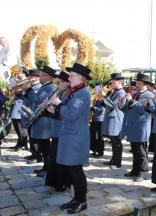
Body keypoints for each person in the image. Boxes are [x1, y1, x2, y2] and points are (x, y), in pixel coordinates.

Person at [47, 63, 91, 214]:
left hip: (76, 138)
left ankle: (82, 201)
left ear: (80, 78)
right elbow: (65, 113)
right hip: (69, 135)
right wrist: (54, 109)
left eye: (71, 75)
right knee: (72, 170)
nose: (69, 77)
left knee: (76, 171)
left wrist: (59, 105)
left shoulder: (83, 93)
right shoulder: (74, 92)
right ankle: (76, 198)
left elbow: (72, 114)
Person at [122, 73, 154, 182]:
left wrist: (131, 100)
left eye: (138, 82)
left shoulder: (149, 95)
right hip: (133, 126)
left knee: (141, 151)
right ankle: (135, 170)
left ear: (143, 83)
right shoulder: (136, 94)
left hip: (141, 127)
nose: (136, 84)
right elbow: (128, 108)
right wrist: (122, 105)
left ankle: (142, 172)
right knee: (135, 150)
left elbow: (142, 109)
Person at [45, 71, 71, 191]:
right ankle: (55, 182)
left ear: (66, 83)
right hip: (56, 130)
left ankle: (63, 182)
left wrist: (54, 110)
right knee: (54, 156)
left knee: (60, 157)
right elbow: (56, 112)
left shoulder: (68, 96)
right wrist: (48, 108)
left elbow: (66, 114)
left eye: (59, 82)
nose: (57, 84)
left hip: (62, 131)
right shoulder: (60, 94)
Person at [29, 66, 56, 177]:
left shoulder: (49, 88)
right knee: (43, 146)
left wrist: (29, 90)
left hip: (44, 120)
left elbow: (37, 100)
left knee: (45, 147)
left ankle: (48, 168)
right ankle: (46, 167)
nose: (39, 76)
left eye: (42, 74)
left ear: (48, 76)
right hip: (40, 119)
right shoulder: (44, 87)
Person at [102, 73, 126, 169]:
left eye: (113, 81)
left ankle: (118, 162)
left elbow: (112, 105)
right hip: (112, 118)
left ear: (119, 81)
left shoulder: (121, 93)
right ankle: (113, 159)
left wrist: (104, 96)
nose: (111, 82)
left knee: (117, 141)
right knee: (113, 141)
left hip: (116, 119)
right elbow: (107, 106)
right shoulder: (114, 91)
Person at [21, 69, 42, 161]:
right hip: (28, 112)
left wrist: (28, 89)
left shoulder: (38, 87)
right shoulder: (32, 87)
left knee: (35, 135)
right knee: (30, 134)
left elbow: (35, 99)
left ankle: (38, 154)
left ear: (37, 78)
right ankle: (33, 153)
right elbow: (26, 98)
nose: (29, 78)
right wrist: (24, 91)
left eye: (31, 76)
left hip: (34, 113)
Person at [9, 73, 28, 150]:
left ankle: (23, 144)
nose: (18, 78)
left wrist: (20, 90)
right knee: (16, 126)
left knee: (21, 127)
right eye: (17, 77)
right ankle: (19, 143)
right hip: (15, 106)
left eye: (19, 77)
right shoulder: (19, 84)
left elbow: (27, 96)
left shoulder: (26, 84)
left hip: (21, 107)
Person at [89, 83, 105, 157]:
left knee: (99, 136)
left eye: (96, 88)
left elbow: (102, 110)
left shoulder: (103, 97)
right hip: (94, 119)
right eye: (95, 88)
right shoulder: (95, 96)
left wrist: (93, 108)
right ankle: (94, 150)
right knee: (93, 135)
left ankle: (100, 151)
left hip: (100, 120)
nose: (95, 89)